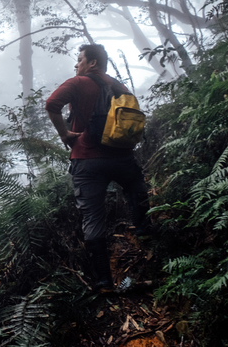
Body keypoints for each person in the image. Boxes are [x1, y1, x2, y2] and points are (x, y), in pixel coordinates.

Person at [45, 43, 150, 291]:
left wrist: (64, 134)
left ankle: (103, 281)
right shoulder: (118, 85)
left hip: (86, 159)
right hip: (122, 156)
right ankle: (146, 237)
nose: (76, 64)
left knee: (92, 218)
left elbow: (52, 104)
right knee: (137, 188)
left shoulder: (78, 83)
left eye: (80, 59)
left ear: (92, 62)